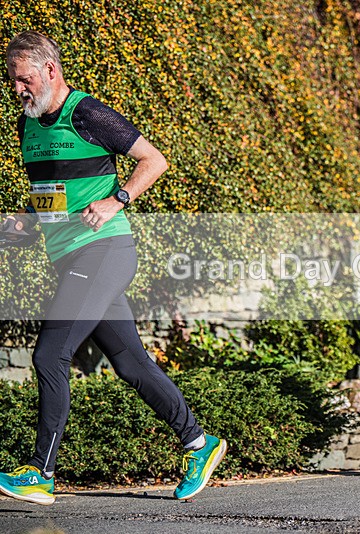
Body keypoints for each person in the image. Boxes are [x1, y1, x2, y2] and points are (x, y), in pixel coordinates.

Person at [0, 31, 226, 505]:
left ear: (50, 72)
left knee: (49, 355)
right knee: (130, 363)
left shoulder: (86, 113)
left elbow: (153, 159)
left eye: (23, 80)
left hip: (104, 249)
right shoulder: (28, 126)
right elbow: (55, 198)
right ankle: (200, 443)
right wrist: (25, 225)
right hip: (70, 255)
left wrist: (116, 199)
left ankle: (40, 473)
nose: (17, 89)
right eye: (11, 81)